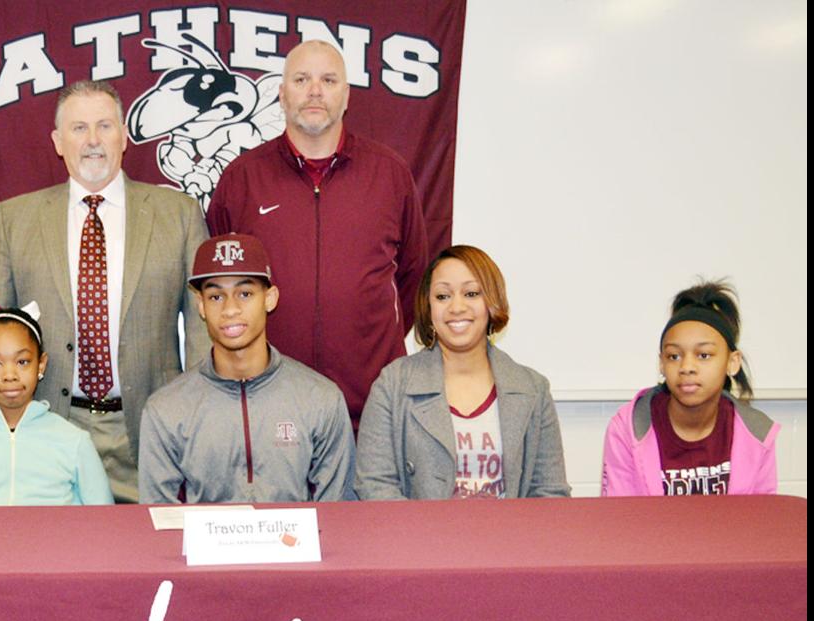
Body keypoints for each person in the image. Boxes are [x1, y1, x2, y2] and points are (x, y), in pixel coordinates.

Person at [0, 80, 211, 503]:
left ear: (124, 135)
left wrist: (202, 425)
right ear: (57, 141)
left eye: (104, 126)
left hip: (148, 435)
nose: (93, 140)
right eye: (79, 128)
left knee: (147, 559)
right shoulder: (14, 220)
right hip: (47, 430)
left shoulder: (178, 215)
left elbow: (199, 334)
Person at [205, 39, 437, 429]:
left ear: (346, 96)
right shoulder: (242, 179)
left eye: (328, 80)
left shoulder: (389, 174)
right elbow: (215, 287)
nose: (315, 90)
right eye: (301, 79)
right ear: (281, 94)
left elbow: (414, 276)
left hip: (372, 410)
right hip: (267, 410)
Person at [139, 233, 355, 504]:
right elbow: (161, 523)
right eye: (216, 296)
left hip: (294, 546)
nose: (230, 309)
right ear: (201, 306)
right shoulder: (166, 409)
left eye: (245, 293)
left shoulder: (320, 399)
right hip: (203, 548)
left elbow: (337, 514)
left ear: (270, 298)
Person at [355, 246, 569, 500]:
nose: (457, 307)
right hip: (419, 538)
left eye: (471, 293)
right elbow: (374, 485)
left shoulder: (533, 388)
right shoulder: (392, 385)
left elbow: (550, 492)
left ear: (492, 301)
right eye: (443, 296)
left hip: (510, 538)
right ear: (428, 306)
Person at [602, 281, 779, 496]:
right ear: (661, 364)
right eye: (674, 356)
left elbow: (764, 518)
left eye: (703, 355)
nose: (686, 367)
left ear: (732, 362)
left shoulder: (758, 433)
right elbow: (620, 519)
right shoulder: (627, 429)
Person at [0, 302, 113, 507]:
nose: (9, 375)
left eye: (22, 362)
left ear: (41, 364)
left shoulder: (74, 441)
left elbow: (103, 523)